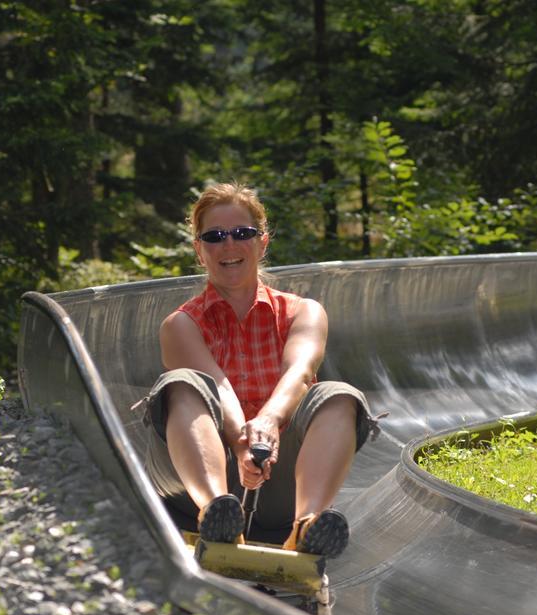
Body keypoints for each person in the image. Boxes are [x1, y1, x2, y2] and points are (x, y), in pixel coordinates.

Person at [134, 182, 379, 558]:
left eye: (242, 234)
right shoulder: (180, 325)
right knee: (181, 383)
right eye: (215, 237)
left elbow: (299, 371)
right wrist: (241, 441)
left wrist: (268, 423)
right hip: (203, 475)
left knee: (339, 395)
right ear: (200, 251)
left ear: (262, 243)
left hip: (279, 477)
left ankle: (306, 524)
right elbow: (217, 385)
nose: (229, 246)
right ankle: (217, 513)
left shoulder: (303, 312)